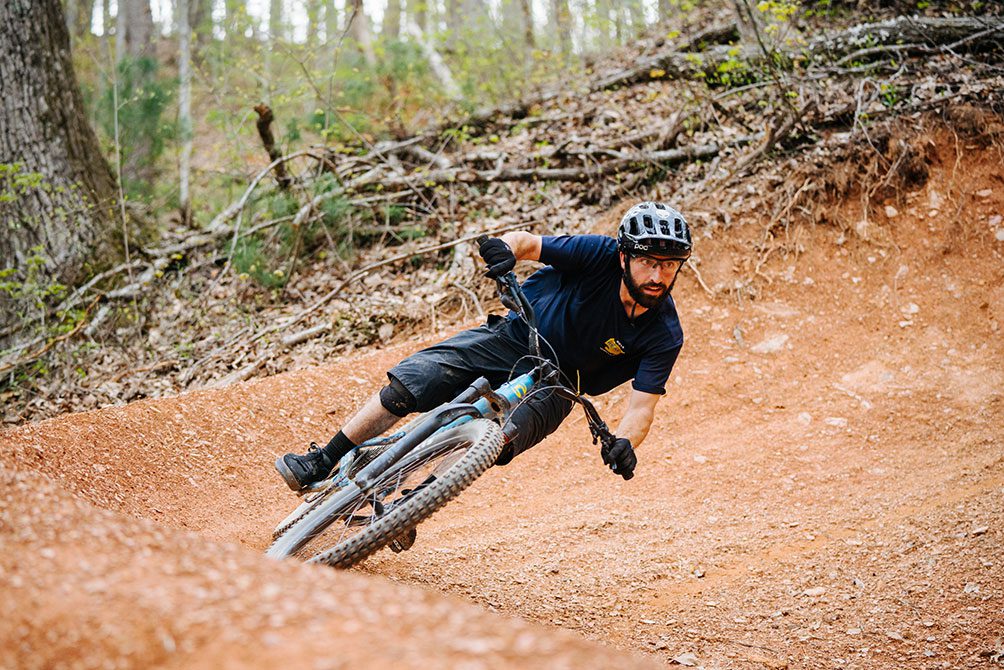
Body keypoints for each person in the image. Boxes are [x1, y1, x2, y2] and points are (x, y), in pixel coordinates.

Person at [276, 201, 692, 493]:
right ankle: (323, 459)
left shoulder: (664, 333)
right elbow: (528, 244)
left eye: (669, 265)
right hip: (518, 336)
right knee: (412, 384)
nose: (658, 274)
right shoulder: (599, 254)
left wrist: (625, 443)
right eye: (648, 262)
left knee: (498, 442)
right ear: (624, 257)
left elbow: (642, 408)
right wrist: (505, 251)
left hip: (561, 385)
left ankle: (414, 500)